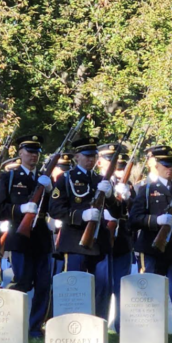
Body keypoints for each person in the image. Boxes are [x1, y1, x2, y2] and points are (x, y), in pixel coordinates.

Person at [49, 136, 120, 320]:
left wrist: (111, 196)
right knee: (74, 288)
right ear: (76, 157)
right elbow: (55, 210)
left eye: (93, 156)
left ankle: (99, 324)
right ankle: (72, 324)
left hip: (100, 242)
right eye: (86, 155)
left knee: (103, 288)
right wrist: (82, 216)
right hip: (74, 242)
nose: (90, 159)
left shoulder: (101, 180)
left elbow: (119, 212)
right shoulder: (66, 179)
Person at [128, 145, 172, 342]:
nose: (170, 168)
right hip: (152, 247)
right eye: (165, 164)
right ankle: (148, 334)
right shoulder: (145, 188)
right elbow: (134, 219)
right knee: (150, 292)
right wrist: (156, 221)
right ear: (156, 165)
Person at [0, 135, 53, 337]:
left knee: (44, 284)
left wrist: (51, 190)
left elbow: (57, 208)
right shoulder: (9, 178)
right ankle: (10, 321)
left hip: (41, 239)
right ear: (20, 153)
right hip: (20, 238)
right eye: (29, 151)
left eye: (36, 152)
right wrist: (20, 209)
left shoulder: (44, 178)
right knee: (23, 281)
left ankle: (35, 327)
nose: (33, 155)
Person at [98, 143, 133, 331]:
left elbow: (135, 214)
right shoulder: (95, 181)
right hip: (100, 241)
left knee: (122, 288)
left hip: (122, 243)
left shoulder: (125, 185)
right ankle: (100, 324)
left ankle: (122, 327)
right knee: (102, 288)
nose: (114, 165)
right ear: (99, 162)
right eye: (109, 160)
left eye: (116, 162)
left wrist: (128, 198)